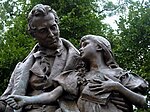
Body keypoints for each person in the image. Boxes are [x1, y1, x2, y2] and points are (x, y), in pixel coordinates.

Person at [6, 35, 149, 112]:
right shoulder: (77, 76)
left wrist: (117, 87)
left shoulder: (119, 74)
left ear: (99, 47)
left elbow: (143, 102)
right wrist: (25, 100)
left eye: (85, 44)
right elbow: (51, 95)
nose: (80, 49)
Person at [0, 4, 80, 112]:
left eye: (53, 27)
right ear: (34, 34)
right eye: (43, 31)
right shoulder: (22, 67)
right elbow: (5, 100)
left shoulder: (77, 59)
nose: (51, 34)